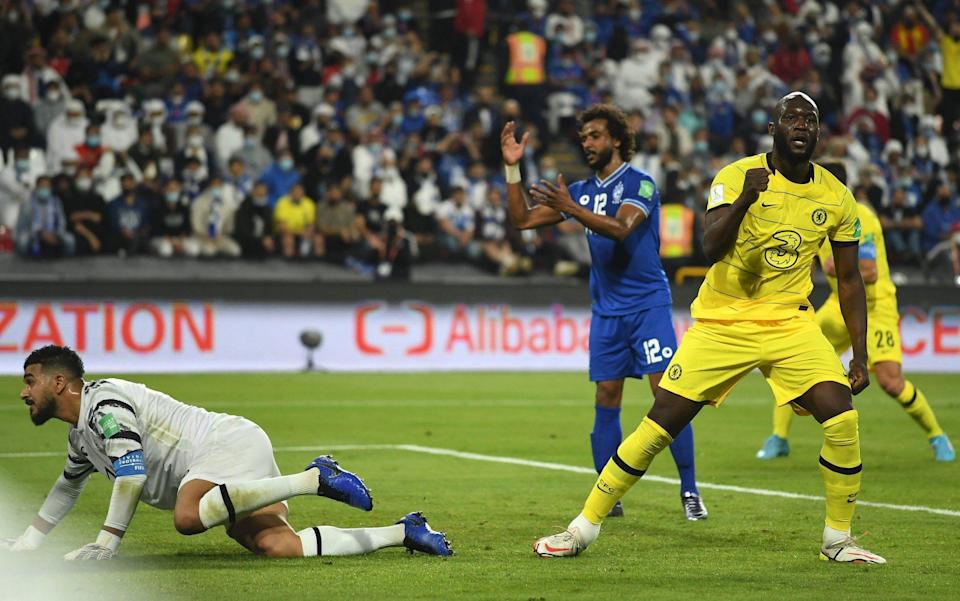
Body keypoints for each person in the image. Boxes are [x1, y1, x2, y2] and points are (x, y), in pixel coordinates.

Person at [531, 92, 887, 564]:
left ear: (819, 133)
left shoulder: (837, 197)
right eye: (791, 118)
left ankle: (837, 540)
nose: (801, 125)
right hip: (722, 322)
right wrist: (746, 201)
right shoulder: (736, 177)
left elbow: (846, 280)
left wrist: (859, 355)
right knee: (659, 426)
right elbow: (711, 248)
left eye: (810, 120)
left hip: (788, 323)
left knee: (841, 418)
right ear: (773, 128)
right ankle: (582, 528)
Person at [1, 345, 453, 560]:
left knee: (188, 515)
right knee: (277, 546)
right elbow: (66, 488)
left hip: (223, 443)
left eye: (29, 380)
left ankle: (314, 479)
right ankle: (406, 533)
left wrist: (106, 543)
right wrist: (28, 543)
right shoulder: (82, 436)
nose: (23, 392)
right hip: (224, 464)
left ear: (59, 383)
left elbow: (132, 476)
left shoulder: (105, 405)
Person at [501, 104, 706, 521]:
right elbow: (522, 219)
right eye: (583, 138)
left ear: (615, 138)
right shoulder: (579, 191)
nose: (587, 144)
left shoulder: (641, 184)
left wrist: (571, 209)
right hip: (608, 314)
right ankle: (609, 494)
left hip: (648, 307)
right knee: (606, 397)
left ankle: (689, 490)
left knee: (667, 398)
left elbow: (622, 228)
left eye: (594, 136)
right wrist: (512, 171)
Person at [757, 163, 955, 463]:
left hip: (874, 307)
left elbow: (871, 272)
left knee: (891, 381)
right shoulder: (814, 214)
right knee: (789, 357)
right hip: (839, 304)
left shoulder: (861, 216)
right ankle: (778, 437)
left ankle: (937, 436)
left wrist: (833, 266)